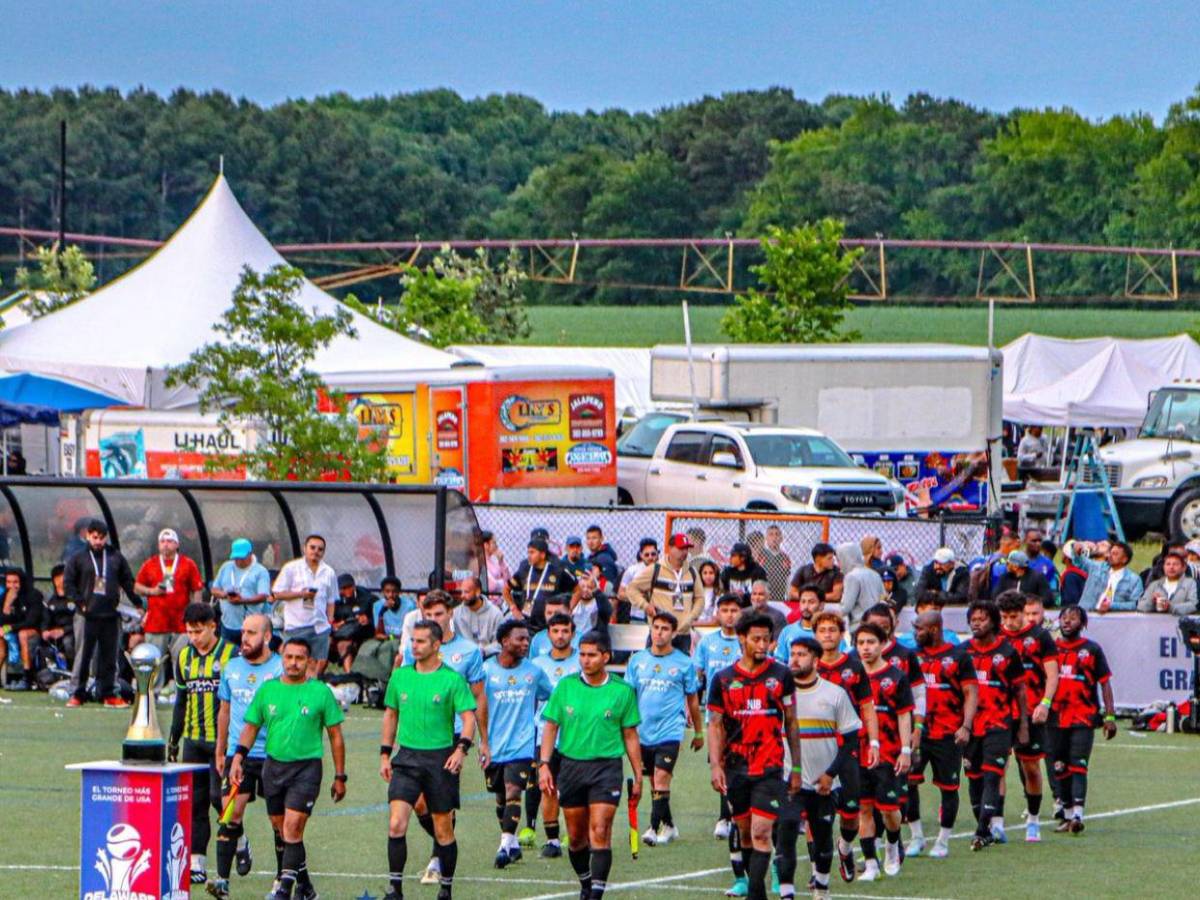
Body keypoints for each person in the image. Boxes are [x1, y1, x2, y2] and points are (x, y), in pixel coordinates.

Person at [230, 637, 347, 900]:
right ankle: (305, 886)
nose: (293, 663)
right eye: (288, 657)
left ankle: (284, 889)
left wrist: (340, 776)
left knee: (293, 828)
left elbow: (335, 736)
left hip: (306, 769)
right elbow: (251, 726)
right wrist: (238, 757)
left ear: (310, 662)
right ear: (281, 659)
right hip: (273, 768)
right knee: (281, 829)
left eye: (299, 658)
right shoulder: (268, 690)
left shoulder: (320, 692)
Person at [379, 618, 478, 900]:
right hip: (406, 758)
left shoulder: (451, 679)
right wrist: (385, 753)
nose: (415, 646)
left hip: (439, 760)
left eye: (421, 641)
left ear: (436, 645)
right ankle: (395, 889)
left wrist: (461, 750)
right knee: (396, 823)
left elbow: (468, 718)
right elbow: (390, 715)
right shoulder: (400, 676)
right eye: (413, 640)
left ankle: (445, 889)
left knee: (443, 829)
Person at [539, 630, 642, 900]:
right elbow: (551, 727)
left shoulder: (622, 691)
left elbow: (630, 735)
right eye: (582, 654)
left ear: (605, 657)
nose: (585, 660)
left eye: (592, 655)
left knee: (600, 829)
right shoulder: (565, 687)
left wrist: (638, 775)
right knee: (575, 837)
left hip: (606, 768)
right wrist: (544, 764)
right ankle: (586, 884)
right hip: (571, 767)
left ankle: (596, 894)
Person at [706, 612, 799, 900]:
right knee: (745, 832)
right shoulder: (723, 679)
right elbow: (715, 725)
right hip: (736, 767)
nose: (762, 644)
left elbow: (792, 722)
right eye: (756, 639)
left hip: (770, 766)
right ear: (742, 638)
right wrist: (715, 765)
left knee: (761, 832)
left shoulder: (781, 675)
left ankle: (755, 894)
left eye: (767, 639)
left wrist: (796, 767)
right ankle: (752, 885)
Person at [400, 590, 489, 886]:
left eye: (439, 614)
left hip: (452, 738)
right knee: (418, 803)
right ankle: (443, 843)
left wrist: (482, 741)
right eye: (429, 615)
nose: (434, 619)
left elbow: (478, 697)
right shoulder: (415, 649)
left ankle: (439, 858)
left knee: (442, 802)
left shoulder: (468, 651)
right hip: (418, 739)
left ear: (450, 613)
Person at [782, 636, 861, 900]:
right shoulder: (780, 694)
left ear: (816, 660)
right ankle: (786, 893)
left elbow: (850, 740)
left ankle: (822, 889)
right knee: (787, 832)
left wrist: (830, 774)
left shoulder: (835, 694)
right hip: (788, 779)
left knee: (823, 837)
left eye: (801, 654)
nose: (794, 659)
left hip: (824, 782)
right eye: (792, 653)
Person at [212, 614, 283, 900]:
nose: (245, 638)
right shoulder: (231, 668)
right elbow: (225, 711)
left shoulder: (280, 667)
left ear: (266, 637)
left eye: (252, 633)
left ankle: (281, 880)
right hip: (238, 755)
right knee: (230, 814)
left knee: (279, 821)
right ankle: (221, 882)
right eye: (243, 632)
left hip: (273, 754)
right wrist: (221, 750)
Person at [167, 602, 237, 886]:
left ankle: (239, 836)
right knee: (194, 803)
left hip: (222, 741)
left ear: (213, 626)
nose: (194, 637)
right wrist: (174, 738)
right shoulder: (184, 657)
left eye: (199, 631)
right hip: (194, 741)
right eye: (189, 631)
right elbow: (181, 701)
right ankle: (197, 861)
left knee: (217, 798)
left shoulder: (231, 655)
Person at [625, 611, 703, 847]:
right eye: (656, 627)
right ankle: (668, 825)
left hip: (671, 730)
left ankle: (651, 827)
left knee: (661, 777)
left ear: (673, 633)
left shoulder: (683, 663)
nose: (659, 632)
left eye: (664, 629)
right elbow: (629, 697)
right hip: (643, 732)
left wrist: (699, 732)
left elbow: (693, 700)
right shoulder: (637, 661)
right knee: (655, 783)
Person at [812, 610, 878, 884]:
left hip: (848, 749)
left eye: (832, 629)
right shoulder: (806, 665)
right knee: (813, 814)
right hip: (815, 748)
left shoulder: (853, 667)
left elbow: (867, 707)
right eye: (822, 629)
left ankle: (846, 846)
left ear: (841, 634)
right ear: (815, 634)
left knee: (851, 815)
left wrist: (873, 741)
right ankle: (817, 873)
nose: (827, 634)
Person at [481, 619, 552, 868]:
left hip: (522, 745)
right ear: (504, 642)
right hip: (493, 746)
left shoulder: (533, 672)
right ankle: (511, 845)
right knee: (500, 800)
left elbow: (551, 697)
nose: (525, 643)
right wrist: (482, 742)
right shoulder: (486, 671)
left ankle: (504, 846)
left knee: (514, 792)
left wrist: (545, 724)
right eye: (520, 639)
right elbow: (477, 706)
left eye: (527, 639)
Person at [907, 610, 977, 860]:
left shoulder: (958, 656)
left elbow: (970, 693)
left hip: (948, 733)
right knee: (908, 782)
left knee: (948, 787)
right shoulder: (912, 656)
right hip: (917, 733)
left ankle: (943, 840)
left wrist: (966, 726)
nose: (915, 633)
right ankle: (916, 837)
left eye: (919, 629)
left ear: (934, 629)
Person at [963, 599, 1028, 851]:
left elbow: (1020, 690)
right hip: (970, 726)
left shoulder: (1008, 652)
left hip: (999, 723)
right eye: (973, 619)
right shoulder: (963, 652)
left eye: (982, 619)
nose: (976, 623)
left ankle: (982, 831)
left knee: (992, 775)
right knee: (973, 777)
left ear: (993, 622)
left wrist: (1022, 724)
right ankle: (985, 824)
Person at [852, 621, 913, 881]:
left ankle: (891, 844)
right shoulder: (852, 676)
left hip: (888, 753)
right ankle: (870, 864)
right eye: (861, 643)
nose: (866, 648)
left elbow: (904, 716)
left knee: (889, 809)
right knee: (863, 809)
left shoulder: (896, 677)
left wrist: (906, 749)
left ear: (883, 644)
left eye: (871, 642)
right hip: (859, 752)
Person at [997, 590, 1059, 843]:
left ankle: (1033, 820)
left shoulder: (1040, 636)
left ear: (1024, 612)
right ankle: (996, 823)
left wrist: (1045, 703)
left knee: (1031, 767)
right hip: (1000, 713)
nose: (1009, 622)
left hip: (1030, 713)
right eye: (1005, 617)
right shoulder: (997, 636)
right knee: (998, 767)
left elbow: (1052, 674)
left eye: (1014, 616)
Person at [1050, 605, 1117, 834]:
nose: (1067, 621)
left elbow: (1105, 683)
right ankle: (1067, 814)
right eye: (1064, 617)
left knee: (1078, 764)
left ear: (1083, 623)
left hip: (1083, 716)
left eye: (1073, 618)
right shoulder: (1051, 649)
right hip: (1055, 718)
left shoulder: (1092, 649)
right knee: (1059, 766)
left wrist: (1109, 716)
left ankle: (1078, 814)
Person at [64, 518, 140, 708]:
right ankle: (77, 693)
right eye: (94, 537)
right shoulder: (78, 557)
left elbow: (128, 582)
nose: (98, 541)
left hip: (110, 616)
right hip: (86, 615)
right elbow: (68, 584)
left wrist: (138, 603)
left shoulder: (115, 557)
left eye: (101, 538)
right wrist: (80, 602)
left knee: (109, 656)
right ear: (88, 536)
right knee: (83, 656)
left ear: (106, 538)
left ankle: (109, 694)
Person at [530, 611, 582, 858]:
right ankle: (551, 840)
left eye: (565, 631)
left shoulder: (581, 662)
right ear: (548, 634)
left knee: (577, 789)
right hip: (545, 736)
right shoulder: (538, 664)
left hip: (576, 737)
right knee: (547, 787)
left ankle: (576, 834)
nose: (560, 636)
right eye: (555, 631)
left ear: (572, 633)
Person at [693, 593, 744, 842]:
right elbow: (698, 676)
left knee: (740, 763)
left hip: (743, 713)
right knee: (720, 763)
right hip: (716, 714)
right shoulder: (707, 642)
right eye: (724, 610)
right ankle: (725, 816)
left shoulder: (746, 642)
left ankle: (738, 813)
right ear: (718, 613)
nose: (729, 615)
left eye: (734, 610)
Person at [135, 527, 204, 687]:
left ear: (177, 544)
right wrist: (152, 591)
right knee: (154, 656)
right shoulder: (150, 564)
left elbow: (196, 589)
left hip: (181, 620)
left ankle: (179, 688)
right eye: (163, 541)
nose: (166, 545)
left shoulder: (187, 564)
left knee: (180, 656)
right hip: (156, 620)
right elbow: (137, 587)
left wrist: (196, 614)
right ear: (159, 545)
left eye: (170, 541)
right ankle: (154, 689)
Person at [272, 534, 338, 677]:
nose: (316, 551)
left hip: (320, 626)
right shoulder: (291, 568)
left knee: (316, 663)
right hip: (297, 625)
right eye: (312, 547)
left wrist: (330, 622)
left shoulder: (329, 572)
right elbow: (277, 593)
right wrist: (301, 594)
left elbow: (331, 600)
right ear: (304, 548)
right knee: (293, 661)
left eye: (320, 549)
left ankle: (311, 690)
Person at [627, 533, 704, 651]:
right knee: (654, 665)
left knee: (680, 667)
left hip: (683, 633)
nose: (684, 552)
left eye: (686, 548)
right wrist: (645, 605)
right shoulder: (655, 569)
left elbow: (700, 597)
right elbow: (632, 589)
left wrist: (692, 616)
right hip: (660, 633)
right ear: (670, 548)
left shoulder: (692, 572)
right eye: (680, 548)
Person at [210, 538, 272, 646]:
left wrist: (243, 601)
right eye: (236, 558)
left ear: (250, 554)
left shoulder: (260, 571)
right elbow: (214, 589)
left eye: (242, 558)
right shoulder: (226, 567)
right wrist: (224, 595)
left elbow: (263, 596)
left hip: (251, 624)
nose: (238, 561)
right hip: (228, 624)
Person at [505, 538, 575, 626]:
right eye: (528, 552)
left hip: (551, 623)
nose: (529, 556)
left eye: (532, 552)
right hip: (527, 622)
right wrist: (513, 608)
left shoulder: (557, 571)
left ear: (542, 555)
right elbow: (506, 590)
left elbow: (578, 590)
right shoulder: (524, 570)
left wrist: (568, 610)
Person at [0, 568, 43, 690]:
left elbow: (32, 621)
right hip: (13, 632)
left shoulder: (33, 595)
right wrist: (7, 606)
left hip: (33, 632)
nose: (12, 586)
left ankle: (27, 678)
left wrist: (9, 628)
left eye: (15, 582)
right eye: (9, 582)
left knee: (22, 634)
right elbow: (2, 621)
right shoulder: (5, 596)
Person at [1070, 540, 1142, 612]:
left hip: (1115, 619)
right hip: (1087, 614)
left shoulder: (1134, 580)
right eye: (1110, 553)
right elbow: (1079, 562)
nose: (1110, 556)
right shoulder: (1097, 567)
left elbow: (1136, 604)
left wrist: (1112, 605)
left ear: (1124, 559)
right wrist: (1076, 550)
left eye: (1115, 554)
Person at [835, 542, 883, 628]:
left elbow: (846, 607)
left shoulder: (851, 577)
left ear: (845, 558)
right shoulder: (875, 574)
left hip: (859, 624)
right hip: (877, 623)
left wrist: (829, 613)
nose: (839, 565)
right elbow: (883, 598)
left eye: (839, 560)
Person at [453, 575, 503, 655]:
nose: (462, 596)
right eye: (461, 592)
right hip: (464, 656)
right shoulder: (456, 613)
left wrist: (483, 651)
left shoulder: (496, 614)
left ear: (477, 592)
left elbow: (500, 643)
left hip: (489, 657)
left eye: (466, 592)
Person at [895, 590, 963, 649]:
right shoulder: (904, 640)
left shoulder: (950, 637)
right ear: (919, 609)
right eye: (933, 609)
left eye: (939, 610)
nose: (937, 613)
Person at [1138, 549, 1199, 615]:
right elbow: (1141, 607)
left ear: (1183, 567)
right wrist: (1151, 601)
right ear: (1163, 567)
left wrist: (1170, 606)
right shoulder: (1155, 584)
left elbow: (1194, 605)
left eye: (1175, 564)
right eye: (1168, 564)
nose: (1171, 567)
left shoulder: (1191, 583)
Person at [40, 563, 77, 670]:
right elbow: (45, 618)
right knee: (42, 644)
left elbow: (80, 620)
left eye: (64, 577)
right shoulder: (49, 601)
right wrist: (45, 631)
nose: (60, 581)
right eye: (58, 578)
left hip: (72, 632)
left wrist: (64, 631)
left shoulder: (76, 598)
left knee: (68, 643)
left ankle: (73, 671)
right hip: (54, 634)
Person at [789, 542, 843, 607]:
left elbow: (836, 596)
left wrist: (812, 598)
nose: (833, 561)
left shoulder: (836, 572)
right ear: (818, 559)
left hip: (827, 608)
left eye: (833, 558)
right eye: (829, 558)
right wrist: (811, 599)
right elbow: (792, 593)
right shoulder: (803, 570)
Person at [568, 570, 614, 639]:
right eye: (582, 587)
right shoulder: (572, 601)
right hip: (573, 639)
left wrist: (596, 591)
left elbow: (607, 611)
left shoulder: (599, 602)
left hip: (593, 640)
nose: (586, 590)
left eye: (589, 587)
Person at [757, 525, 793, 603]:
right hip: (764, 597)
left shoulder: (784, 557)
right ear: (766, 538)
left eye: (777, 534)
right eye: (771, 534)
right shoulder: (761, 555)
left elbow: (787, 578)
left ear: (781, 538)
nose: (774, 537)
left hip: (780, 597)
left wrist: (788, 596)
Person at [1023, 530, 1059, 597]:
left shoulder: (1048, 564)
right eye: (1034, 541)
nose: (1038, 544)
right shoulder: (1017, 560)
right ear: (1025, 541)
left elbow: (1053, 589)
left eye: (1040, 541)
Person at [481, 530, 512, 600]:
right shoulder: (480, 562)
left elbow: (509, 581)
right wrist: (501, 581)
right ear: (486, 545)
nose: (496, 545)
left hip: (500, 601)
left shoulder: (494, 561)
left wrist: (501, 562)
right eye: (494, 543)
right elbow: (491, 586)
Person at [693, 560, 722, 626]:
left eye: (711, 573)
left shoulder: (719, 594)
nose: (708, 576)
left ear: (716, 575)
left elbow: (716, 621)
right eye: (705, 573)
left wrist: (693, 624)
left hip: (711, 629)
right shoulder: (695, 591)